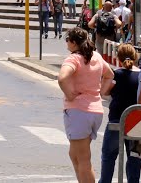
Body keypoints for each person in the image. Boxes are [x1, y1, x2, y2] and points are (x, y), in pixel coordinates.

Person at [57, 28, 113, 183]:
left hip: (79, 111)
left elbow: (62, 78)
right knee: (74, 154)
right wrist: (100, 93)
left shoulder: (73, 59)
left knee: (83, 159)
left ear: (73, 42)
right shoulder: (96, 56)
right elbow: (110, 75)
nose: (66, 43)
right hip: (95, 111)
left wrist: (69, 94)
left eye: (67, 40)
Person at [99, 43, 141, 183]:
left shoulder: (116, 74)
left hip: (116, 120)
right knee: (134, 158)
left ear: (118, 57)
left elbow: (103, 92)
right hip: (135, 122)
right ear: (135, 57)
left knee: (108, 157)